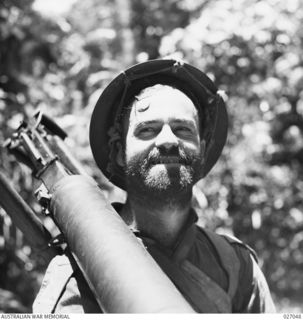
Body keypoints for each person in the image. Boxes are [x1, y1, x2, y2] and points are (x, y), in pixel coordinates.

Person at [33, 59, 276, 313]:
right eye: (148, 130)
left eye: (182, 129)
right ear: (119, 153)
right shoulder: (80, 275)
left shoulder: (236, 265)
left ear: (202, 152)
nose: (168, 141)